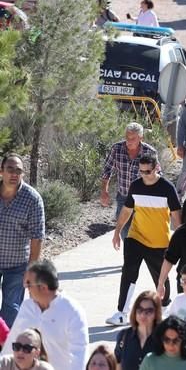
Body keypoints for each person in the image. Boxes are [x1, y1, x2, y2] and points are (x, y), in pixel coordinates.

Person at [107, 154, 181, 326]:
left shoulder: (167, 188)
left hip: (159, 241)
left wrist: (179, 240)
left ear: (156, 168)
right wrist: (117, 232)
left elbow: (177, 216)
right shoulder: (136, 185)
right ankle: (121, 313)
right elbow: (127, 210)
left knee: (161, 276)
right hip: (135, 237)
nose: (144, 175)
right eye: (141, 171)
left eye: (147, 171)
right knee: (129, 271)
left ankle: (164, 306)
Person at [2, 260, 87, 370]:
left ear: (43, 287)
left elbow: (79, 356)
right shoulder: (27, 307)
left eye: (28, 283)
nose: (24, 286)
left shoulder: (73, 312)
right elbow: (11, 345)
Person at [0, 154, 44, 328]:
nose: (14, 174)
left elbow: (37, 236)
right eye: (10, 169)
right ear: (1, 171)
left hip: (17, 265)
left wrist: (32, 271)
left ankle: (5, 349)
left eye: (18, 170)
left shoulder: (32, 199)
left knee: (10, 310)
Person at [101, 123, 158, 239]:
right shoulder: (116, 149)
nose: (129, 141)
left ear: (141, 138)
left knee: (142, 233)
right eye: (127, 137)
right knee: (123, 231)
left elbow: (157, 174)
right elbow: (107, 170)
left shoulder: (150, 152)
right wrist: (104, 191)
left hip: (143, 199)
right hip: (124, 197)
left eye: (133, 138)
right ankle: (130, 254)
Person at [115, 291, 162, 370]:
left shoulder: (163, 338)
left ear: (156, 313)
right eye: (140, 309)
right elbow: (117, 365)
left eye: (149, 311)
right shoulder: (124, 336)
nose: (143, 314)